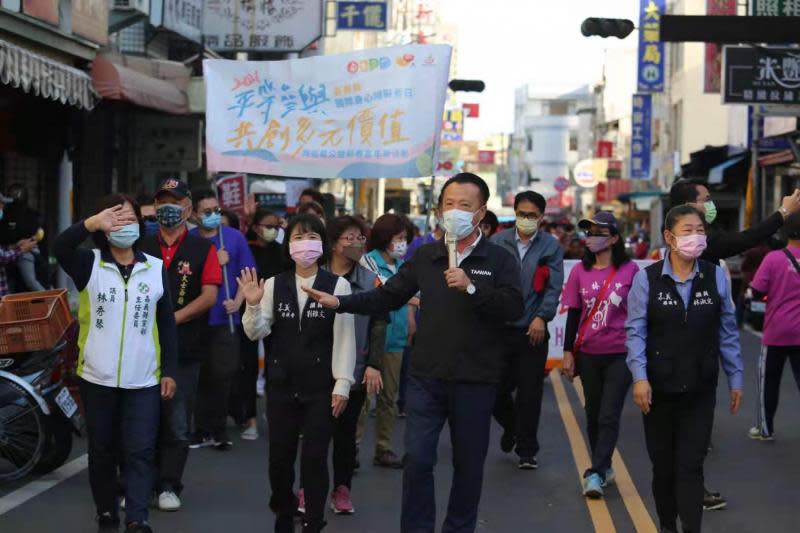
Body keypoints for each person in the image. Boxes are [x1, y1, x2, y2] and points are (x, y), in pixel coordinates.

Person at [303, 172, 524, 533]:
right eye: (449, 204)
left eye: (464, 206)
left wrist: (471, 289)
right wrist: (339, 302)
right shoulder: (427, 256)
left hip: (476, 379)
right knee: (418, 460)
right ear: (439, 210)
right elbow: (387, 296)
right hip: (426, 377)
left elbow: (514, 308)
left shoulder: (498, 259)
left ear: (481, 212)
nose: (455, 211)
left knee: (469, 466)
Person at [668, 178, 800, 510]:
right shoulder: (697, 244)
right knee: (690, 425)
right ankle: (686, 491)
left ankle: (686, 488)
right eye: (706, 199)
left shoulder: (693, 246)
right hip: (687, 348)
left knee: (691, 425)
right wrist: (783, 212)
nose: (711, 204)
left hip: (700, 345)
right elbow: (742, 240)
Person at [54, 195, 178, 533]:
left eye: (130, 218)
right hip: (98, 376)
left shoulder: (155, 268)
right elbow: (59, 246)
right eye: (115, 218)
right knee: (103, 450)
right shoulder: (89, 264)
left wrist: (169, 371)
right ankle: (106, 510)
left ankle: (137, 517)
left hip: (144, 379)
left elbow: (166, 323)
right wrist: (90, 222)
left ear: (141, 225)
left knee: (140, 450)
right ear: (104, 227)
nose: (123, 225)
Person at [626, 205, 743, 533]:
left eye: (700, 230)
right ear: (669, 237)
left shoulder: (715, 275)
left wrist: (736, 378)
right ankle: (667, 525)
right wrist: (640, 378)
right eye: (688, 230)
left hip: (700, 389)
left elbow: (728, 330)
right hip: (658, 391)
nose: (696, 237)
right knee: (663, 468)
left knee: (691, 466)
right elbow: (635, 332)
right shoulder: (646, 279)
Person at [239, 214, 356, 533]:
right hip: (281, 385)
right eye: (298, 238)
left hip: (321, 387)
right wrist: (251, 304)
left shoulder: (338, 285)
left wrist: (343, 383)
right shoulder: (275, 284)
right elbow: (256, 332)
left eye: (311, 237)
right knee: (280, 458)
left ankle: (314, 521)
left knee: (315, 458)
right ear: (288, 244)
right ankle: (284, 510)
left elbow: (345, 337)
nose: (305, 244)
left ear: (323, 244)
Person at [139, 179, 221, 512]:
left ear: (187, 208)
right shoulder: (142, 244)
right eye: (161, 203)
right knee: (141, 419)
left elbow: (210, 295)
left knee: (176, 419)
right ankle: (139, 481)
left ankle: (170, 484)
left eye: (174, 203)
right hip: (141, 347)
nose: (167, 209)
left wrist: (173, 318)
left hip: (185, 348)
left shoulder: (203, 248)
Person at [560, 212, 639, 498]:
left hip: (621, 353)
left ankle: (595, 471)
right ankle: (603, 466)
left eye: (599, 232)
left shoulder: (631, 271)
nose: (592, 237)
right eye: (589, 232)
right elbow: (574, 313)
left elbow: (641, 314)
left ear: (615, 238)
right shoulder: (580, 272)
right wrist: (567, 352)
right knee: (593, 414)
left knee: (608, 414)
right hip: (589, 354)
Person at [491, 190, 564, 470]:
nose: (526, 219)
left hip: (533, 330)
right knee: (495, 390)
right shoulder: (498, 242)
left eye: (532, 215)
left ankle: (526, 450)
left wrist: (542, 318)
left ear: (541, 218)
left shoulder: (550, 247)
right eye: (522, 214)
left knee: (530, 393)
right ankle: (512, 428)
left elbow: (553, 287)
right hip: (501, 330)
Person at [324, 215, 387, 514]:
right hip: (317, 367)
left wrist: (373, 364)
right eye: (348, 238)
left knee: (346, 435)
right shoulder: (316, 276)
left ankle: (342, 489)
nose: (355, 243)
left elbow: (379, 321)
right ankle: (307, 489)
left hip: (355, 368)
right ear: (334, 243)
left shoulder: (367, 279)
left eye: (360, 238)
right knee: (315, 434)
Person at [189, 189, 257, 450]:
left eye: (216, 211)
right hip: (197, 318)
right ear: (195, 214)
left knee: (223, 373)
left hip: (225, 319)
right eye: (207, 212)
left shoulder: (233, 238)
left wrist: (237, 302)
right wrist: (214, 262)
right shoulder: (191, 240)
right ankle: (200, 429)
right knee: (199, 375)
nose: (213, 216)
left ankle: (219, 429)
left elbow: (247, 273)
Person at [354, 213, 413, 469]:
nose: (403, 243)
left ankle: (384, 447)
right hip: (373, 338)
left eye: (405, 239)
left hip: (397, 338)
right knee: (364, 399)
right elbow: (383, 292)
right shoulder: (368, 262)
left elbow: (411, 294)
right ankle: (352, 447)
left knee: (390, 396)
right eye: (399, 238)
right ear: (385, 238)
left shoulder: (404, 265)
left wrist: (411, 317)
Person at [234, 208, 288, 440]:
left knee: (277, 365)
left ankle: (275, 413)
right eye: (268, 226)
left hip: (278, 314)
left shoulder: (281, 252)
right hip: (251, 312)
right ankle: (250, 418)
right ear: (256, 227)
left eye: (276, 226)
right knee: (248, 367)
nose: (272, 230)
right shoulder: (246, 248)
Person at [748, 213, 800, 441]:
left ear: (785, 232)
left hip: (776, 332)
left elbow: (757, 291)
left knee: (768, 382)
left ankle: (765, 429)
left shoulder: (773, 259)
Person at [0, 184, 46, 291]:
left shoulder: (33, 215)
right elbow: (2, 256)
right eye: (0, 204)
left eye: (3, 204)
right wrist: (21, 249)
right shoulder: (6, 217)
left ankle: (50, 301)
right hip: (16, 255)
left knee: (31, 282)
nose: (2, 207)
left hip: (24, 255)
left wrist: (15, 246)